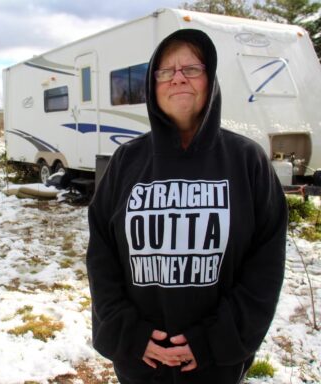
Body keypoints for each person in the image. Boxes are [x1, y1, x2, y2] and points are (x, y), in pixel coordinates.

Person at [86, 28, 287, 384]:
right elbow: (102, 258)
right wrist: (128, 334)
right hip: (140, 364)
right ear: (152, 84)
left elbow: (264, 269)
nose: (178, 78)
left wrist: (213, 340)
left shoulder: (247, 161)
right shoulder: (126, 162)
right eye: (165, 71)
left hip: (215, 364)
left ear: (210, 80)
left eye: (191, 68)